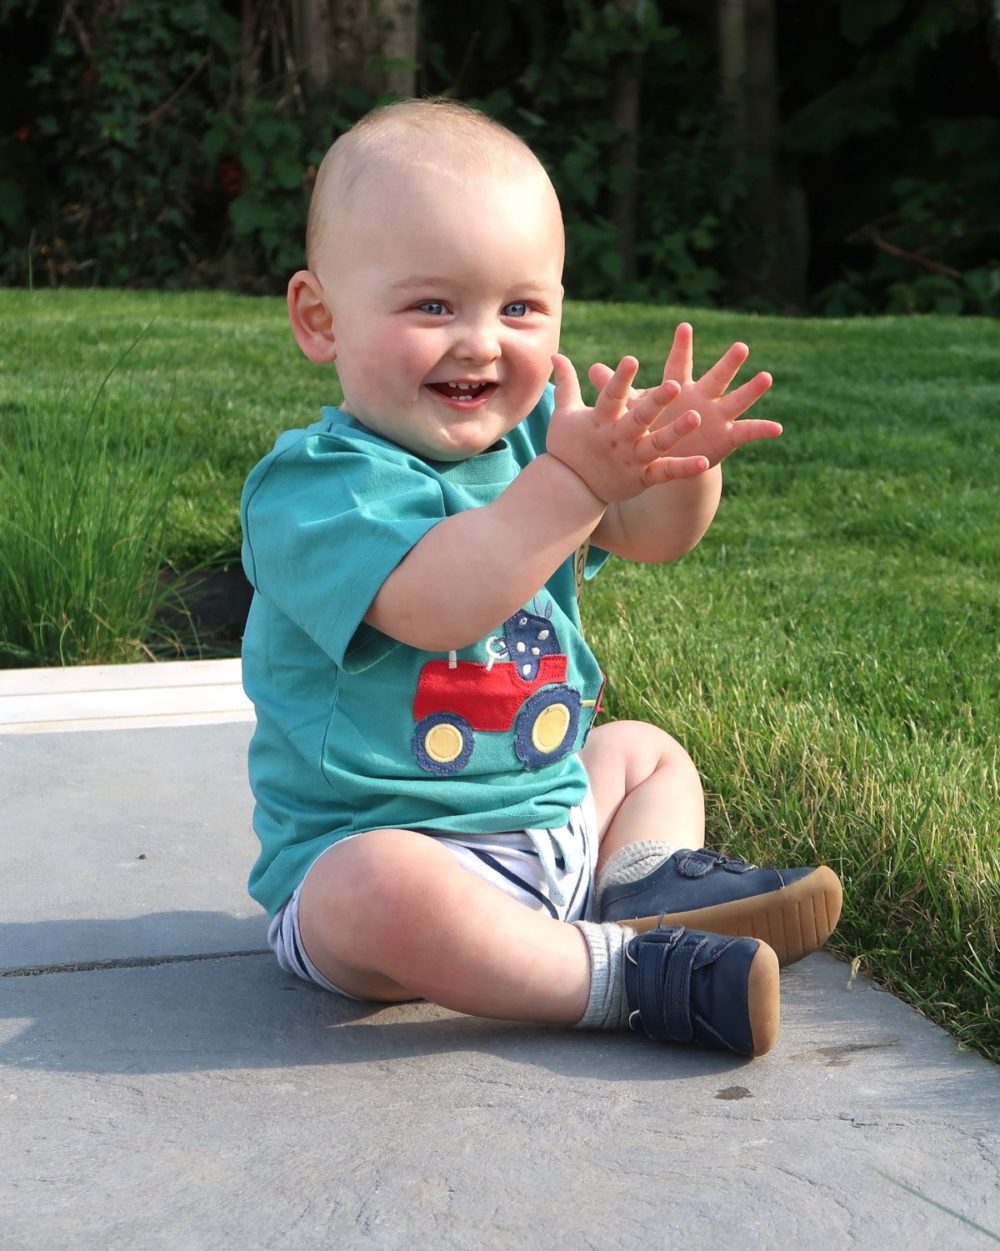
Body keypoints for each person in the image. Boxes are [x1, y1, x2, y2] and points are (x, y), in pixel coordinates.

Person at [240, 97, 842, 1058]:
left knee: (647, 754)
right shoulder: (313, 491)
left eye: (520, 307)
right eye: (433, 304)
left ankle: (644, 881)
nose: (481, 340)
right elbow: (441, 602)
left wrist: (675, 465)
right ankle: (615, 978)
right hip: (396, 860)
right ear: (321, 318)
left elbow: (651, 535)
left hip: (550, 817)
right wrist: (572, 482)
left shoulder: (539, 452)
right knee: (373, 888)